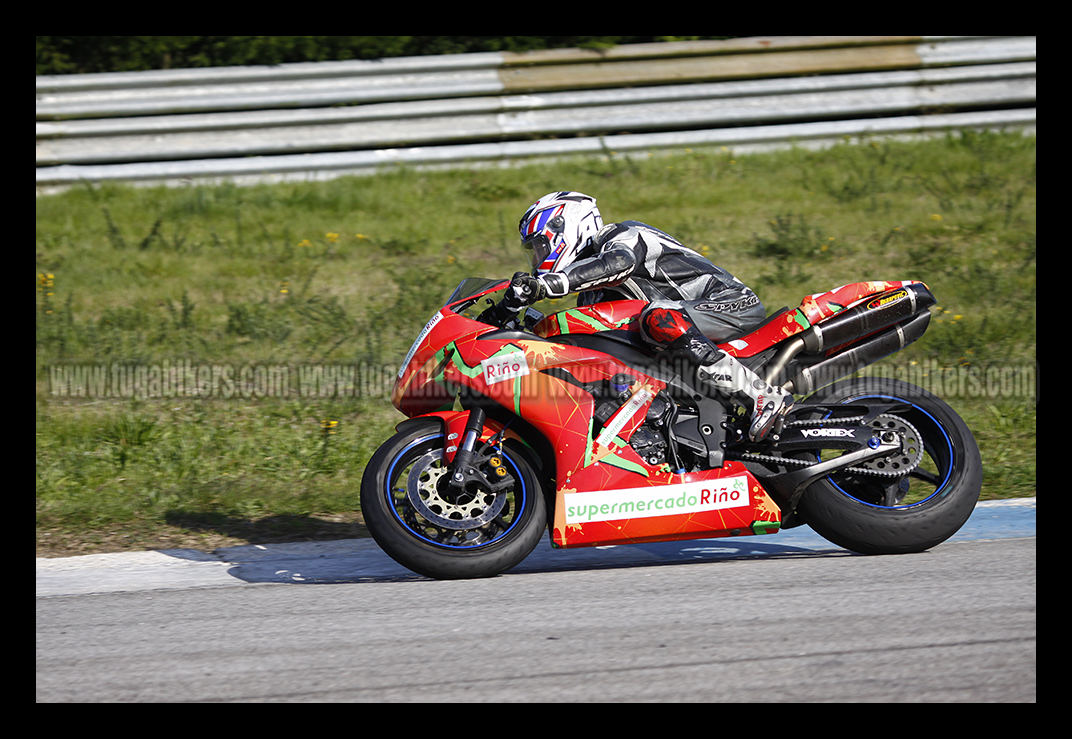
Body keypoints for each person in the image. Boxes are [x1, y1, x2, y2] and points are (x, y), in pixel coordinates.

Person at [497, 190, 793, 443]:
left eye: (539, 246)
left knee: (657, 317)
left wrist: (549, 284)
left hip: (728, 304)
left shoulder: (621, 236)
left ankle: (762, 396)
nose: (536, 259)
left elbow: (618, 263)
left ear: (565, 228)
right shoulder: (590, 295)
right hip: (689, 330)